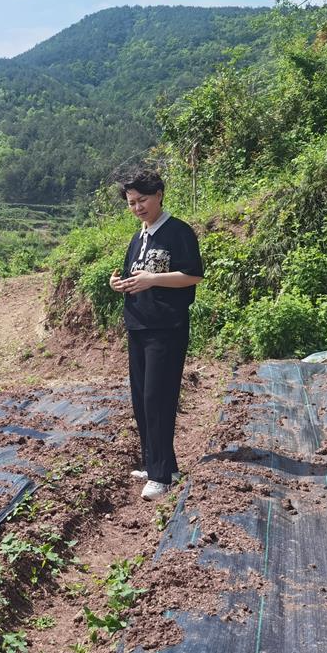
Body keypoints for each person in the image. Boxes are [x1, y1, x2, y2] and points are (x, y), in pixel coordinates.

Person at [108, 169, 203, 502]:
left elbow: (192, 276)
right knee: (140, 399)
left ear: (160, 194)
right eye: (132, 203)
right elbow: (134, 276)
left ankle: (161, 477)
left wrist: (153, 280)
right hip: (138, 325)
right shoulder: (139, 237)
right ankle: (159, 464)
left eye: (142, 200)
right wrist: (119, 284)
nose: (137, 207)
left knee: (158, 399)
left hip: (166, 327)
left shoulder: (178, 233)